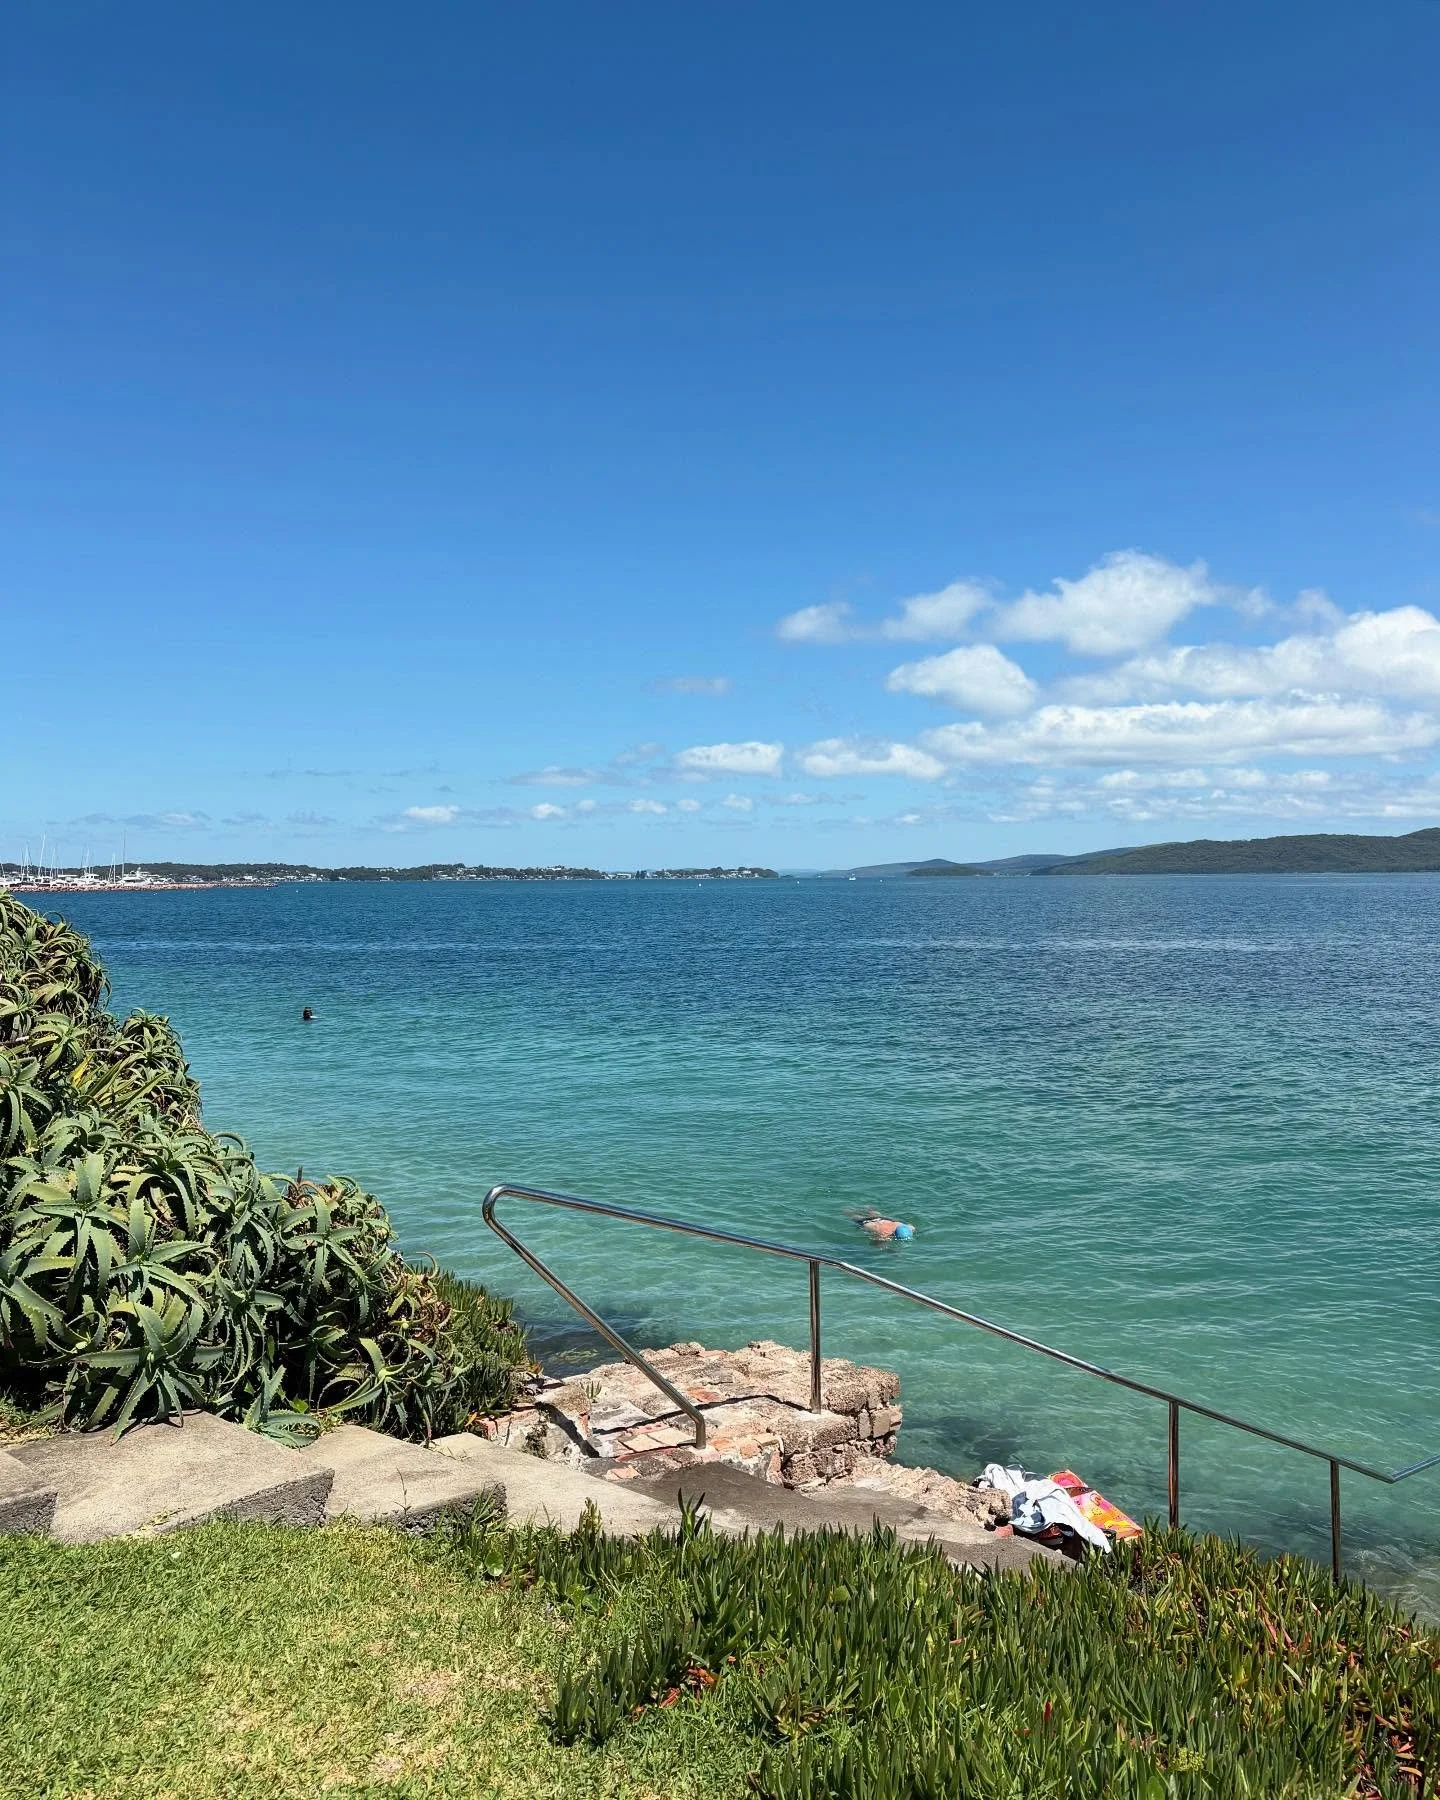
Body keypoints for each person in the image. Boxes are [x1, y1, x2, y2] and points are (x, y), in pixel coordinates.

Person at [849, 1207, 915, 1243]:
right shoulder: (885, 1234)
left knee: (874, 1213)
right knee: (854, 1216)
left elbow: (911, 1227)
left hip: (884, 1219)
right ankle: (848, 1210)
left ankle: (868, 1208)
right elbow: (874, 1243)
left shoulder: (910, 1227)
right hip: (866, 1222)